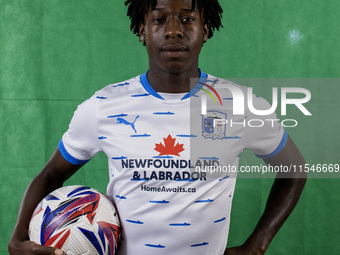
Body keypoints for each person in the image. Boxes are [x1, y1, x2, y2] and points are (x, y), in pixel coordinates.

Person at [8, 0, 307, 254]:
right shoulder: (103, 106)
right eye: (159, 19)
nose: (174, 30)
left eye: (187, 19)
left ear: (205, 29)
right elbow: (50, 175)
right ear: (142, 30)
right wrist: (18, 238)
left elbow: (295, 169)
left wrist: (257, 244)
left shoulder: (238, 104)